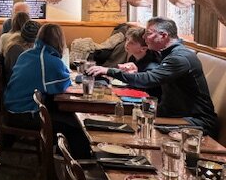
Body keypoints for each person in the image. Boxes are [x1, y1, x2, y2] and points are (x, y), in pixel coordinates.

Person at [89, 17, 219, 138]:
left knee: (131, 127)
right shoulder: (167, 54)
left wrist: (110, 71)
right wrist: (136, 72)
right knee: (115, 121)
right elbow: (154, 82)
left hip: (195, 121)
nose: (144, 37)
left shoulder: (180, 58)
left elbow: (149, 79)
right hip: (171, 115)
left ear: (163, 35)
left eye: (148, 33)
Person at [4, 23, 71, 125]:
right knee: (74, 124)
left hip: (10, 110)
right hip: (25, 113)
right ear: (60, 41)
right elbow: (64, 84)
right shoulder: (49, 61)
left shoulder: (25, 54)